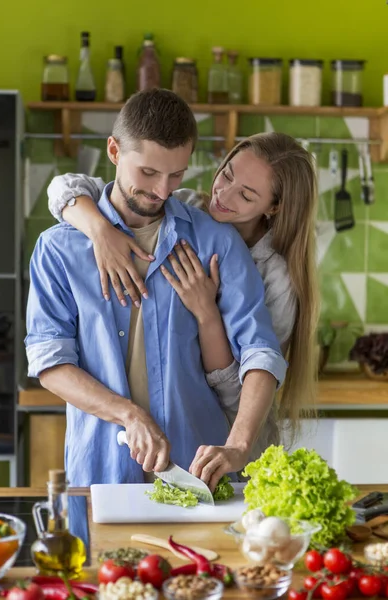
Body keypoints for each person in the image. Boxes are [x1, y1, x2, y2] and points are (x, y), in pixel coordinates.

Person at [26, 89, 286, 492]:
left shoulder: (216, 242)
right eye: (148, 173)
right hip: (101, 475)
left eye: (177, 175)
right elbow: (50, 363)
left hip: (199, 476)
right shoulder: (59, 248)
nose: (163, 191)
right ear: (114, 150)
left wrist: (237, 446)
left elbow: (260, 351)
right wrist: (129, 415)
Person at [47, 130, 319, 457]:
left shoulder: (277, 277)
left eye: (246, 196)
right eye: (226, 175)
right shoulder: (185, 206)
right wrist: (100, 231)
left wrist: (207, 314)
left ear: (274, 207)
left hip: (239, 443)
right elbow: (69, 187)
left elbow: (238, 389)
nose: (224, 196)